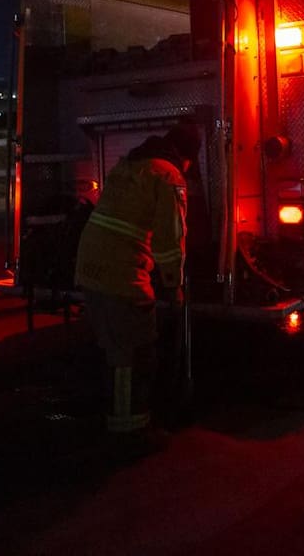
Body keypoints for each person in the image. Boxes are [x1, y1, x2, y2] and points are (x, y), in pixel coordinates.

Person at [74, 122, 202, 461]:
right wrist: (174, 287)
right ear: (186, 157)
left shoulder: (132, 165)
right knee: (133, 354)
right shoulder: (169, 176)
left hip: (91, 269)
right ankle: (129, 433)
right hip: (122, 275)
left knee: (116, 351)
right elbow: (169, 240)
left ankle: (120, 421)